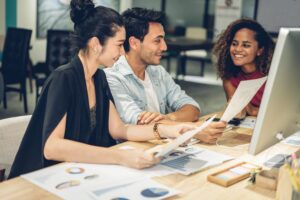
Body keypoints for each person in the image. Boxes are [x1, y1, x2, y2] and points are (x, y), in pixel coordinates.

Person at [8, 1, 207, 179]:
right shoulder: (64, 78)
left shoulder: (99, 78)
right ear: (95, 44)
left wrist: (168, 130)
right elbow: (52, 148)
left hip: (76, 174)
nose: (122, 52)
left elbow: (120, 129)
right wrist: (119, 156)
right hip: (42, 179)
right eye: (119, 45)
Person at [104, 8, 200, 126]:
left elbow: (193, 108)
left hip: (163, 141)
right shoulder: (113, 77)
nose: (164, 47)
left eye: (163, 39)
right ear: (134, 43)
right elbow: (138, 123)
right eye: (157, 41)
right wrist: (173, 120)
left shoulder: (158, 72)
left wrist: (169, 118)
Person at [213, 19, 275, 117]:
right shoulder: (229, 77)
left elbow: (280, 111)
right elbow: (237, 112)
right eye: (234, 44)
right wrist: (237, 109)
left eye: (246, 45)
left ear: (260, 50)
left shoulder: (273, 75)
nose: (237, 49)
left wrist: (253, 110)